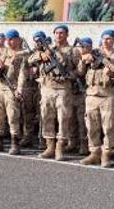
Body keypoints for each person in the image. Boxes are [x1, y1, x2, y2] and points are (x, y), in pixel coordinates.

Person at [28, 25, 80, 160]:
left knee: (63, 118)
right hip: (47, 88)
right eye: (56, 33)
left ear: (67, 34)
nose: (59, 35)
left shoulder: (73, 51)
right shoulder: (46, 49)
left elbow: (80, 71)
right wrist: (41, 55)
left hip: (63, 89)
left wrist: (69, 75)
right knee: (46, 116)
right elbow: (30, 59)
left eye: (62, 33)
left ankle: (60, 148)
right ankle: (49, 146)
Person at [78, 30, 114, 167]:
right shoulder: (94, 52)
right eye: (104, 39)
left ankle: (106, 154)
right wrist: (84, 60)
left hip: (109, 95)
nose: (106, 41)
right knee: (91, 126)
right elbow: (80, 72)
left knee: (108, 127)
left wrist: (113, 74)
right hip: (92, 95)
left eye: (109, 39)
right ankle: (94, 153)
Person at [0, 30, 24, 155]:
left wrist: (19, 90)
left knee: (13, 117)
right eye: (8, 39)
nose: (9, 41)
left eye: (12, 39)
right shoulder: (1, 52)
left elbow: (22, 75)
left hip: (11, 89)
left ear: (18, 39)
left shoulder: (22, 54)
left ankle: (15, 144)